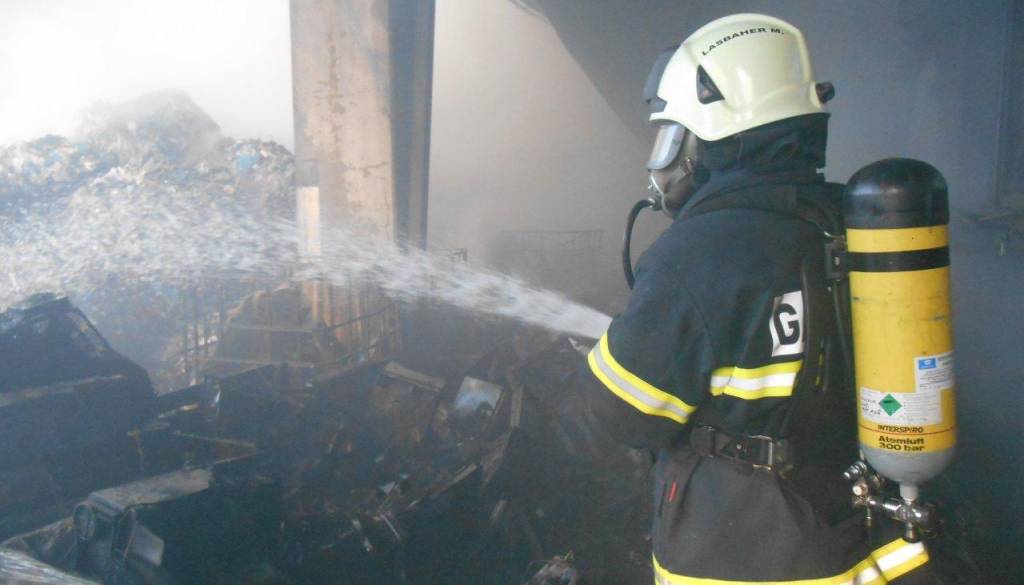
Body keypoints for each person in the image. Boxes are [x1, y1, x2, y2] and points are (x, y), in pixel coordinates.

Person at [580, 13, 935, 584]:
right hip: (857, 528)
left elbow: (622, 412)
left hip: (742, 553)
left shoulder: (697, 252)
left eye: (672, 135)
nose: (664, 157)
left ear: (709, 135)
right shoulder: (850, 220)